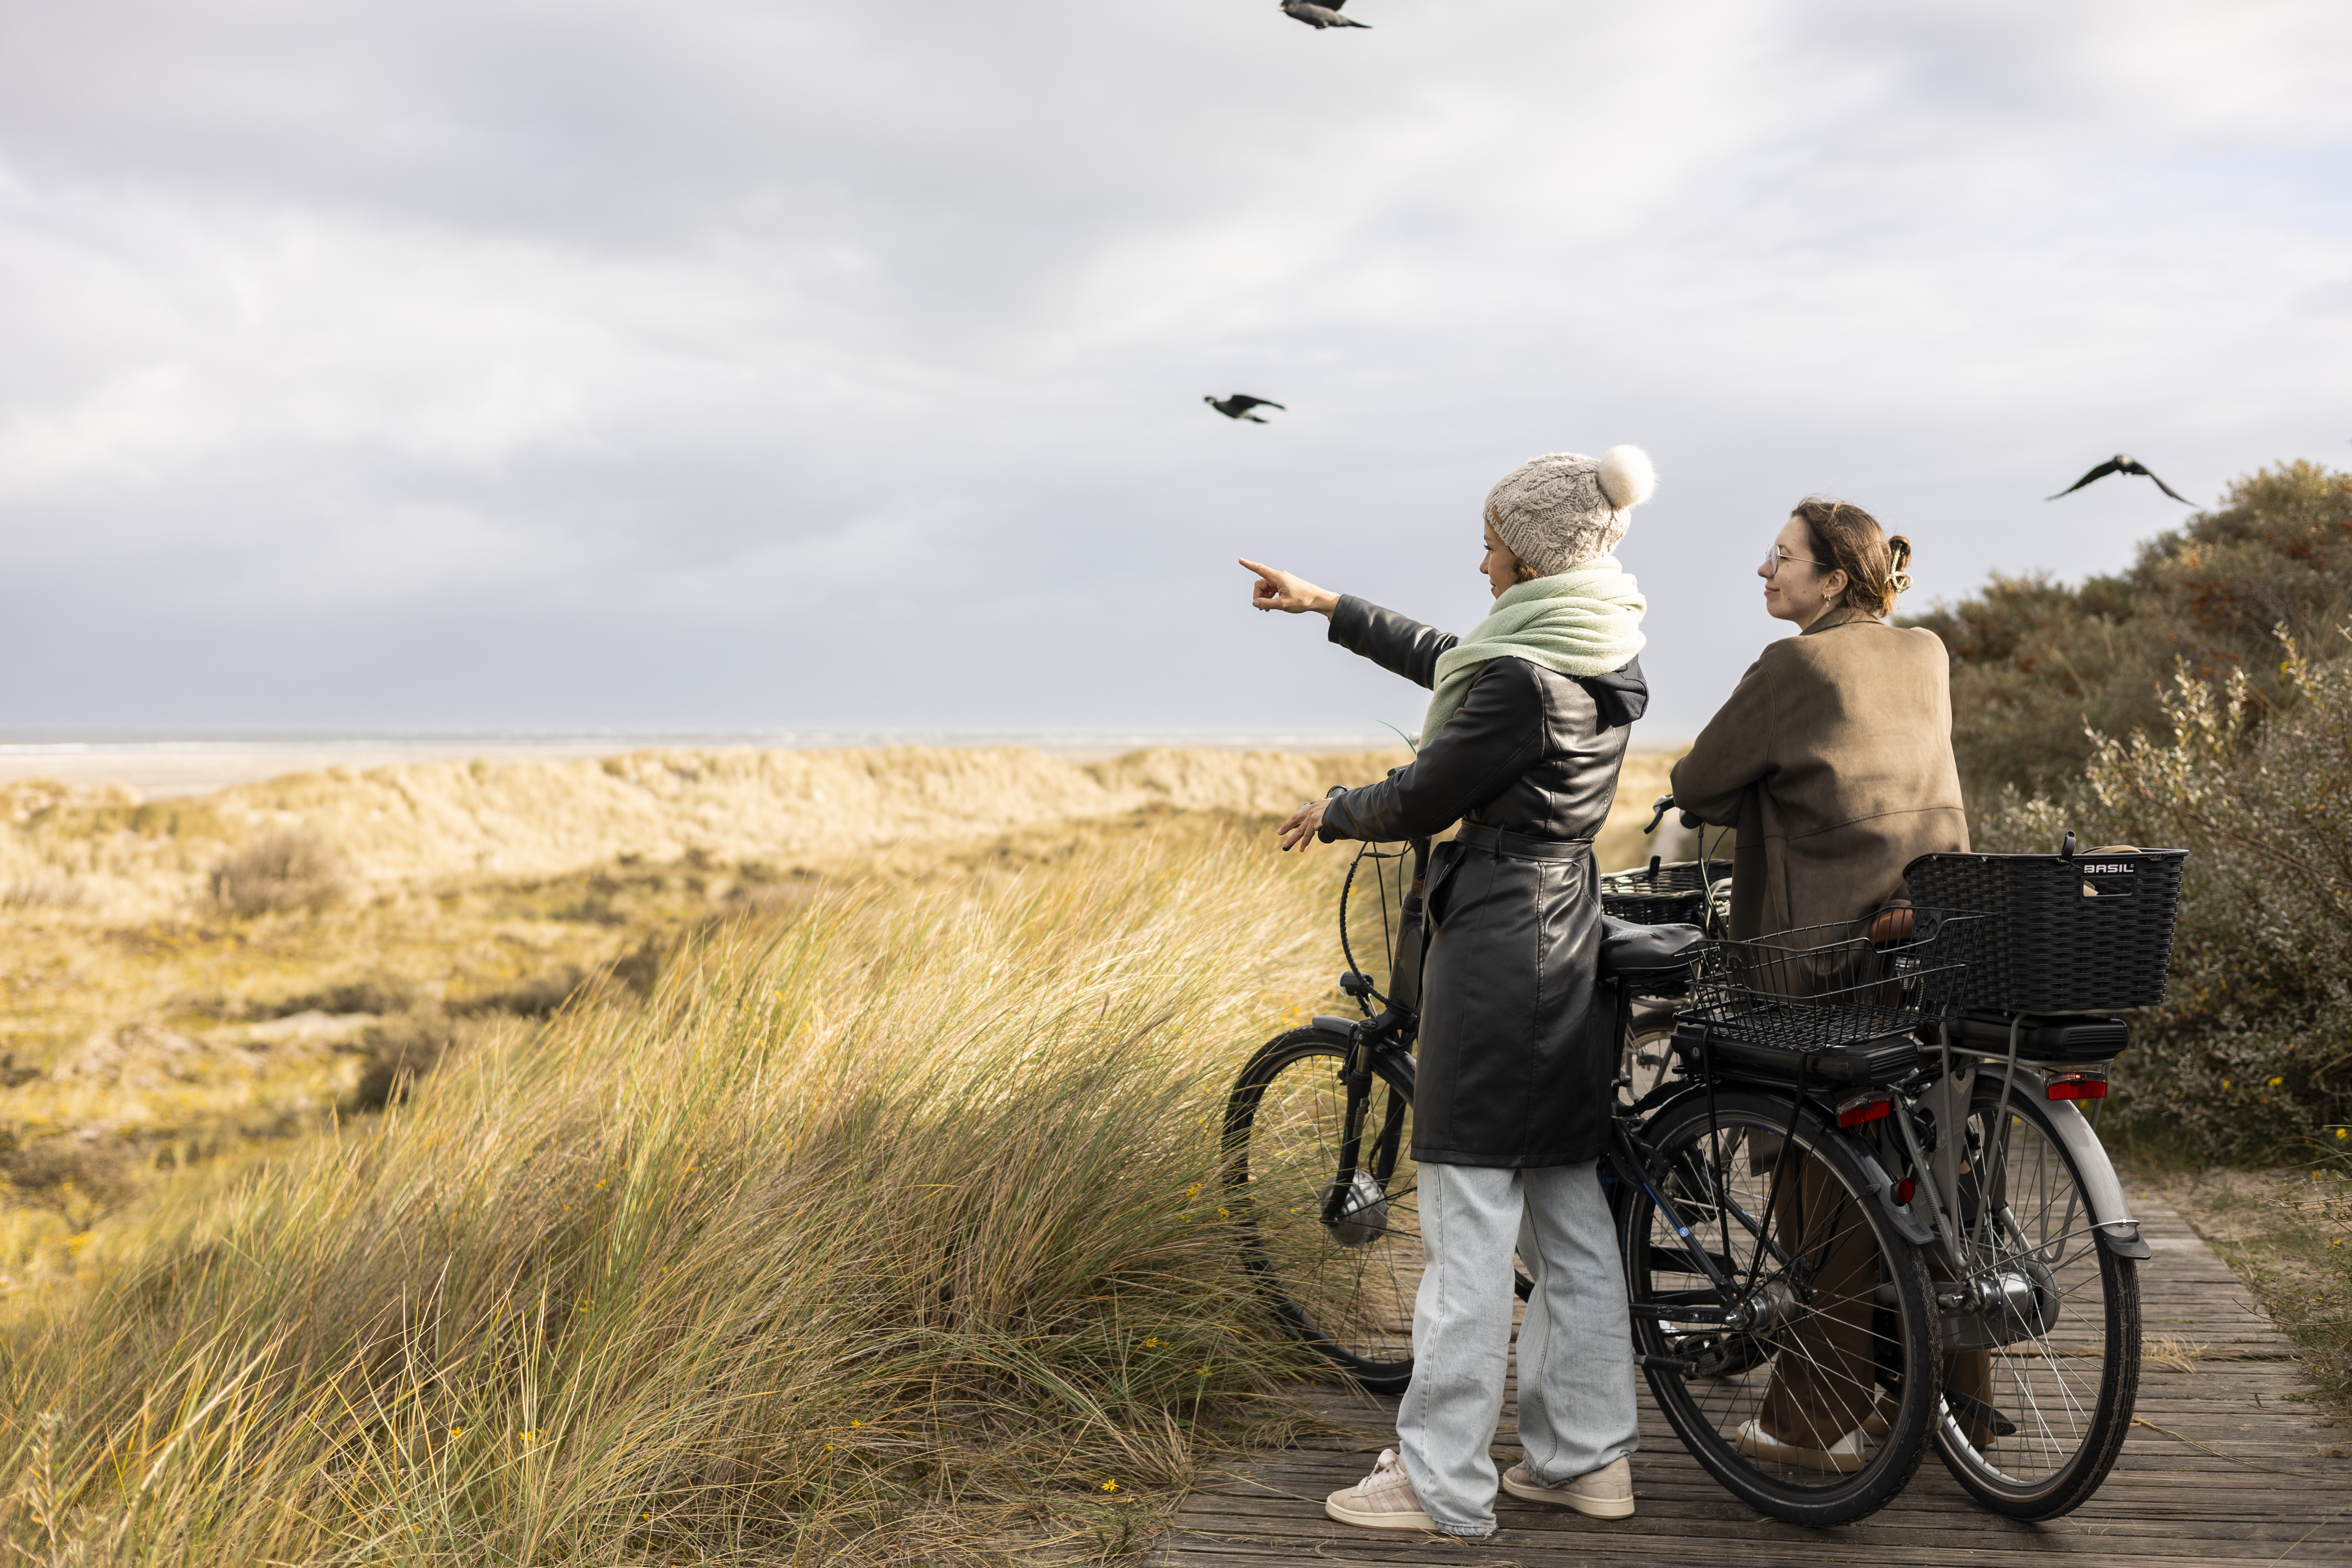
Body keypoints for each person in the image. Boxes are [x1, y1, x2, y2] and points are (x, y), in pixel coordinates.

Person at [1240, 445, 1656, 1538]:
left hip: (1495, 950)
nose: (1477, 563)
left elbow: (1423, 793)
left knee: (1467, 1227)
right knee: (1566, 1217)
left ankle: (1439, 1482)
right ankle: (1583, 1461)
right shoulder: (1597, 645)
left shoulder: (1517, 677)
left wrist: (1336, 807)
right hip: (1566, 940)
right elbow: (1454, 657)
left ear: (1525, 552)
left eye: (1487, 543)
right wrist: (1327, 605)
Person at [1669, 497, 1980, 1471]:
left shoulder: (1791, 664)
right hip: (1926, 934)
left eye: (1780, 558)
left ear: (1833, 580)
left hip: (1821, 950)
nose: (1764, 572)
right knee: (1931, 1152)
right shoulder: (1925, 649)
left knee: (1819, 1173)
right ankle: (1952, 1403)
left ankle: (1813, 1422)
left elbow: (1696, 781)